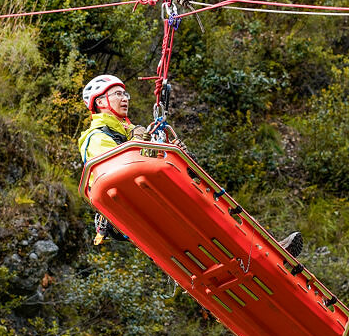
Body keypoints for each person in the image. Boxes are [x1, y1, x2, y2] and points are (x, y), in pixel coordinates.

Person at [77, 74, 302, 256]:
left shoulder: (131, 133)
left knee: (209, 201)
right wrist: (139, 144)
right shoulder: (96, 136)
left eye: (125, 94)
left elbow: (145, 162)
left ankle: (261, 246)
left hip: (148, 192)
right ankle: (260, 248)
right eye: (117, 94)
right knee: (203, 208)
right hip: (131, 201)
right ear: (100, 102)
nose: (125, 98)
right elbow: (117, 171)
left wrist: (173, 154)